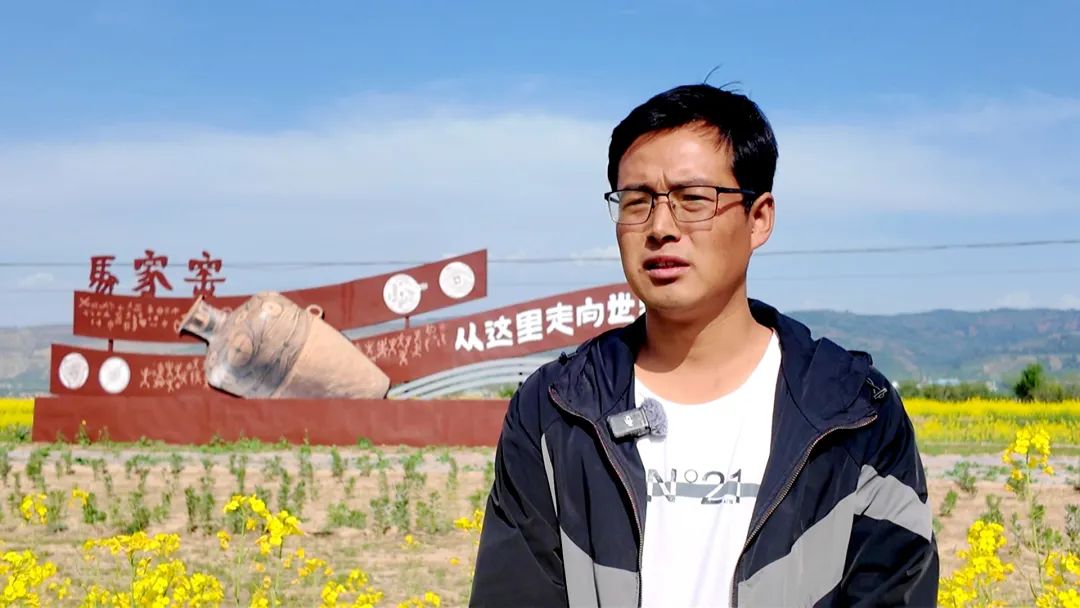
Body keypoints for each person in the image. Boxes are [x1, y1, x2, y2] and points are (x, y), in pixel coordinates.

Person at [470, 83, 939, 607]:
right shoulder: (555, 411)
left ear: (759, 218)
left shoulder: (854, 413)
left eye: (693, 199)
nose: (660, 228)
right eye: (636, 201)